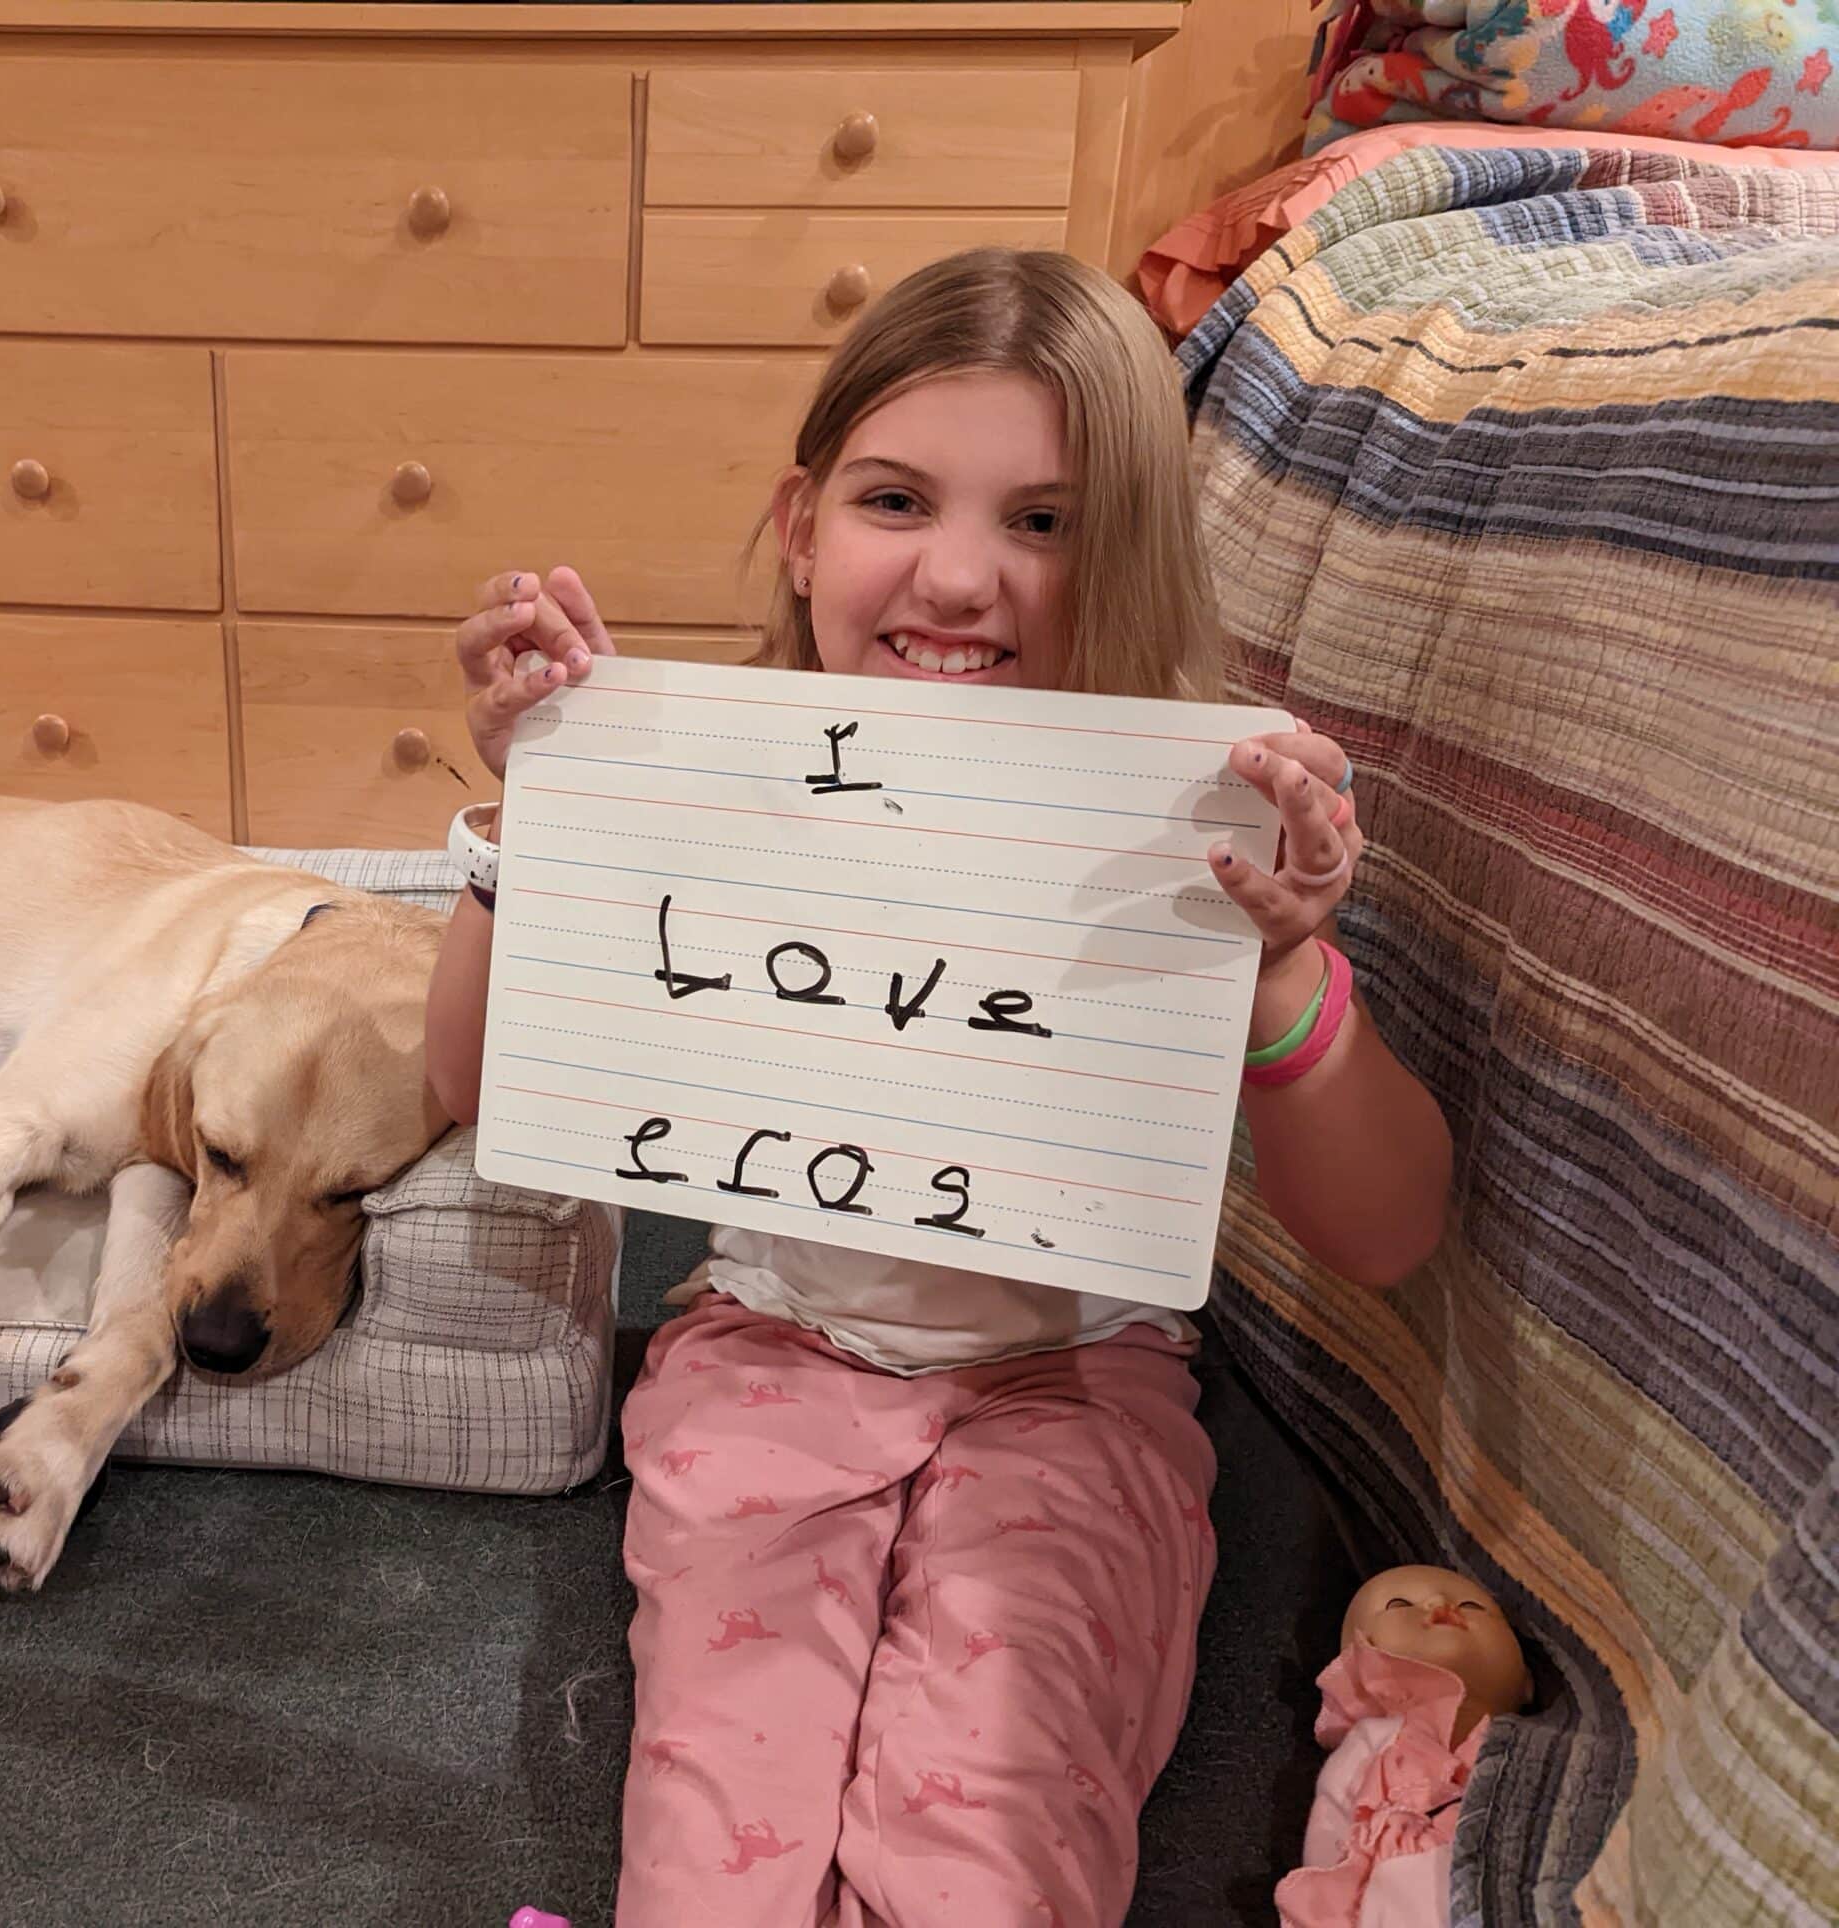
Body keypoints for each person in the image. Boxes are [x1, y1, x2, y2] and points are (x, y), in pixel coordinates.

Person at [423, 248, 1454, 1928]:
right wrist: (546, 821)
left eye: (1045, 523)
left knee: (990, 1837)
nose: (961, 576)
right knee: (715, 1842)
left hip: (1078, 1382)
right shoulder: (716, 759)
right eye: (898, 500)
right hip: (768, 1353)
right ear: (801, 524)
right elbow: (473, 1091)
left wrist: (1282, 984)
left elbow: (1387, 1228)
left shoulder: (1203, 796)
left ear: (1130, 548)